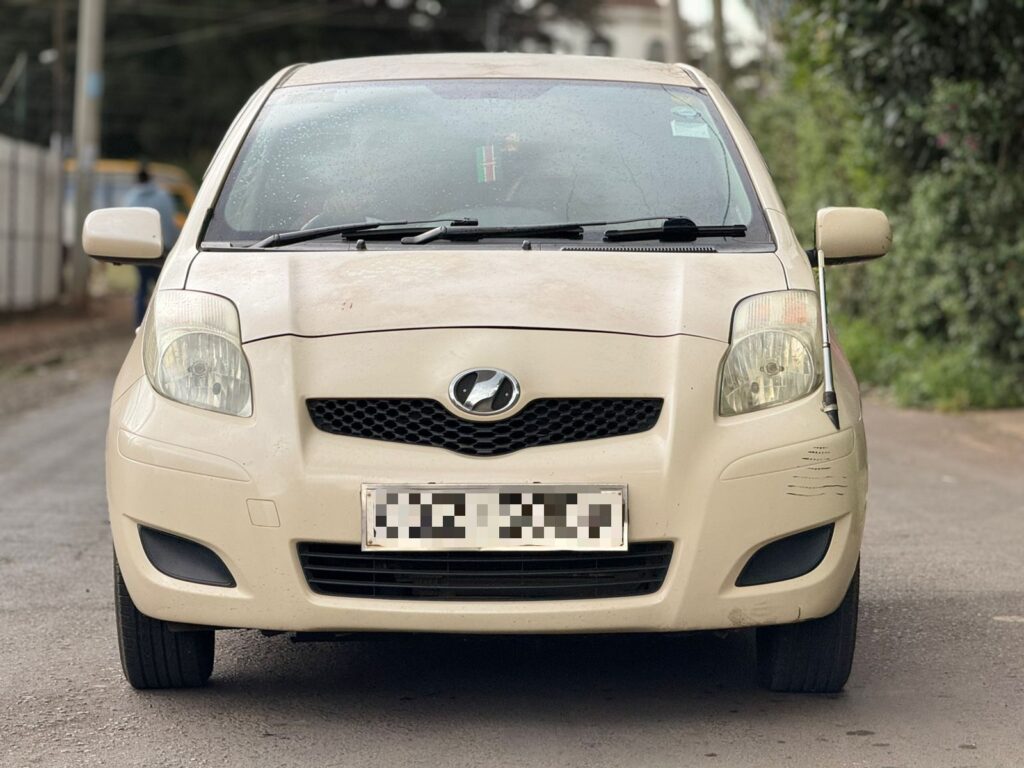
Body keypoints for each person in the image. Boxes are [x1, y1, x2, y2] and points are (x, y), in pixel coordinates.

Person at [122, 164, 180, 325]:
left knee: (141, 287)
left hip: (139, 251)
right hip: (161, 249)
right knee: (160, 288)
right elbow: (170, 223)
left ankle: (140, 324)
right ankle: (162, 323)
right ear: (151, 178)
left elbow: (128, 226)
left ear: (137, 179)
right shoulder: (163, 196)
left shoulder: (131, 198)